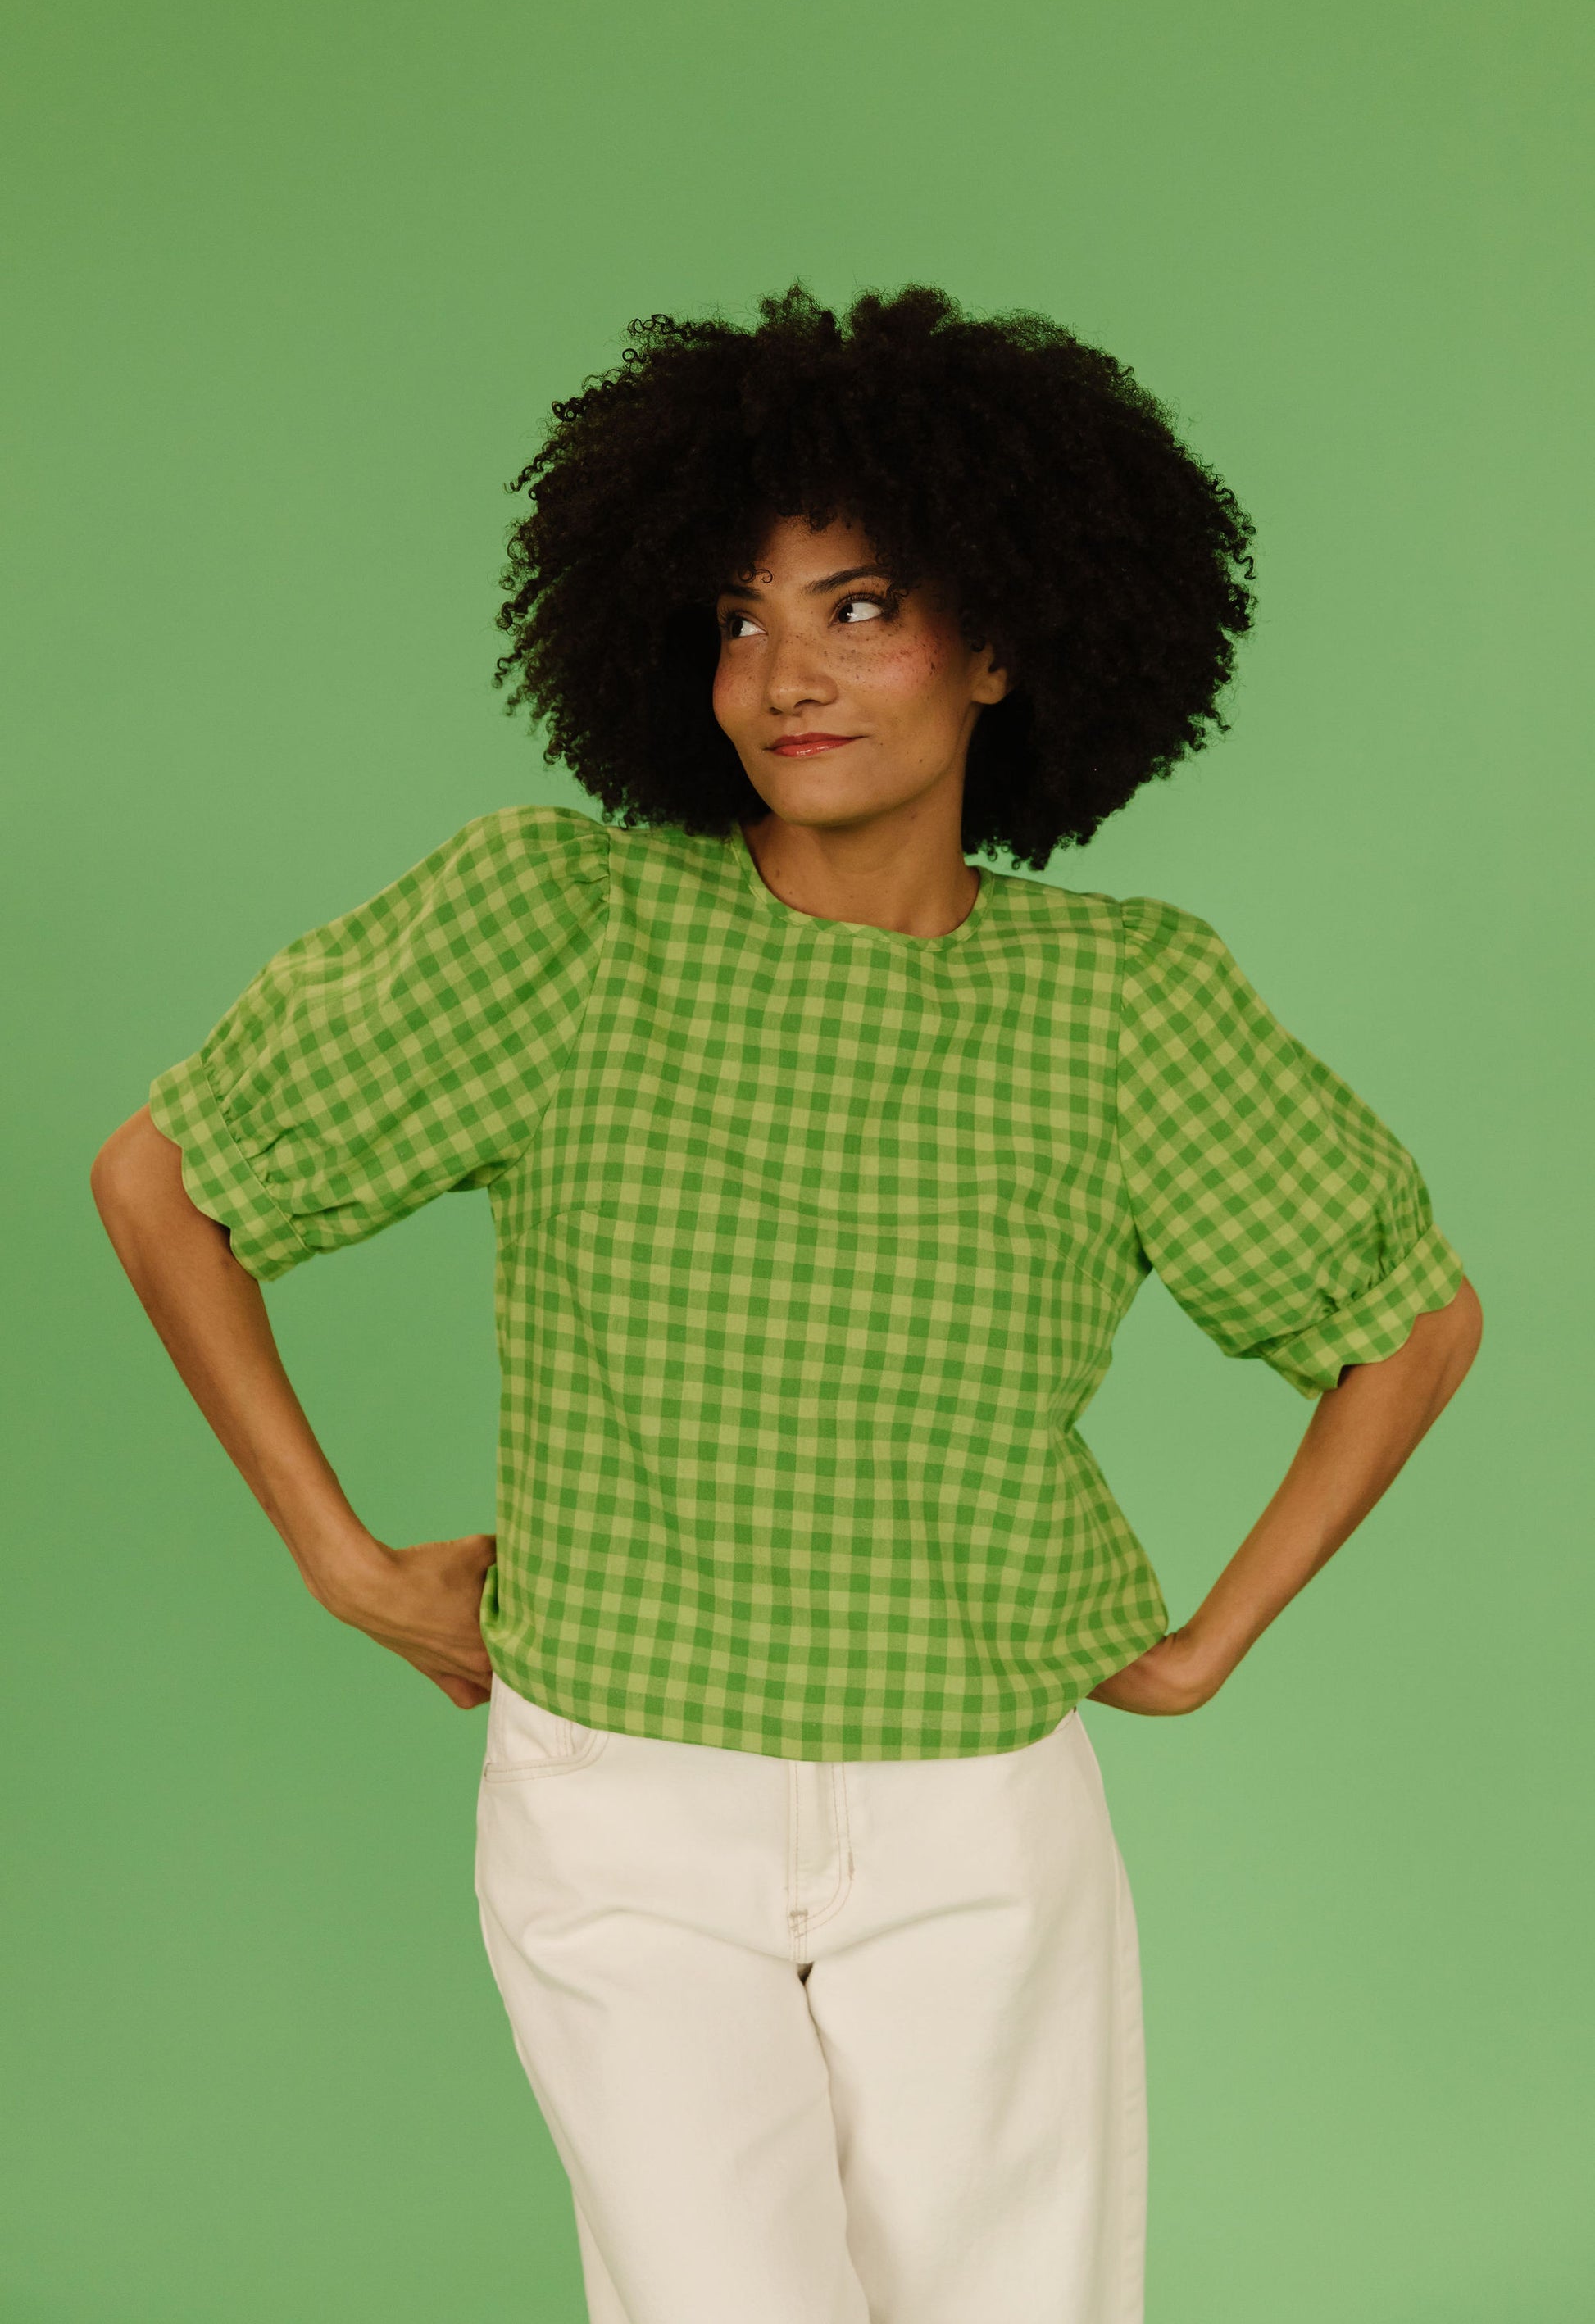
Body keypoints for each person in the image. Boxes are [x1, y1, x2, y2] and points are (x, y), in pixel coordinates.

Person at [91, 284, 1483, 2324]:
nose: (784, 676)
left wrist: (1209, 1643)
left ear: (1001, 643)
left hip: (973, 1804)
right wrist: (341, 1558)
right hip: (622, 1795)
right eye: (739, 619)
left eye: (859, 608)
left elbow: (1402, 1318)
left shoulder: (1123, 1000)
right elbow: (168, 1177)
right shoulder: (559, 926)